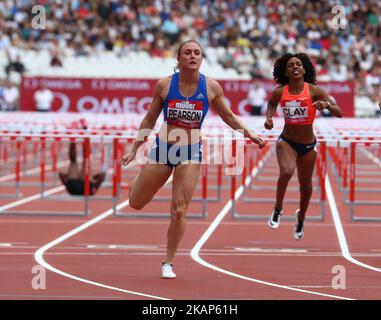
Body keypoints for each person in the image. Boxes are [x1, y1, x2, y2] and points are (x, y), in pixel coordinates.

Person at [122, 40, 266, 279]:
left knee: (179, 209)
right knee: (136, 202)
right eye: (187, 52)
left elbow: (228, 116)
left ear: (202, 59)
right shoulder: (165, 86)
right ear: (178, 59)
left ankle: (168, 262)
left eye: (197, 53)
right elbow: (149, 119)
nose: (192, 56)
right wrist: (135, 149)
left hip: (190, 153)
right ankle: (138, 183)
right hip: (163, 150)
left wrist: (249, 133)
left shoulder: (210, 87)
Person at [264, 53, 342, 240]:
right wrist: (269, 117)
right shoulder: (280, 91)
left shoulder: (315, 91)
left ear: (304, 69)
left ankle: (301, 217)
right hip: (287, 141)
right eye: (291, 65)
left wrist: (327, 106)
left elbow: (338, 112)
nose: (295, 67)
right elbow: (272, 103)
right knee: (287, 171)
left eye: (299, 64)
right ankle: (278, 208)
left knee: (305, 186)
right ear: (286, 71)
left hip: (308, 145)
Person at [59, 121, 105, 196]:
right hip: (83, 187)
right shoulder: (93, 182)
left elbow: (102, 175)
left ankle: (75, 133)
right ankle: (80, 133)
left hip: (74, 187)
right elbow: (61, 174)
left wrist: (94, 179)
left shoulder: (95, 180)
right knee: (84, 161)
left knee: (82, 161)